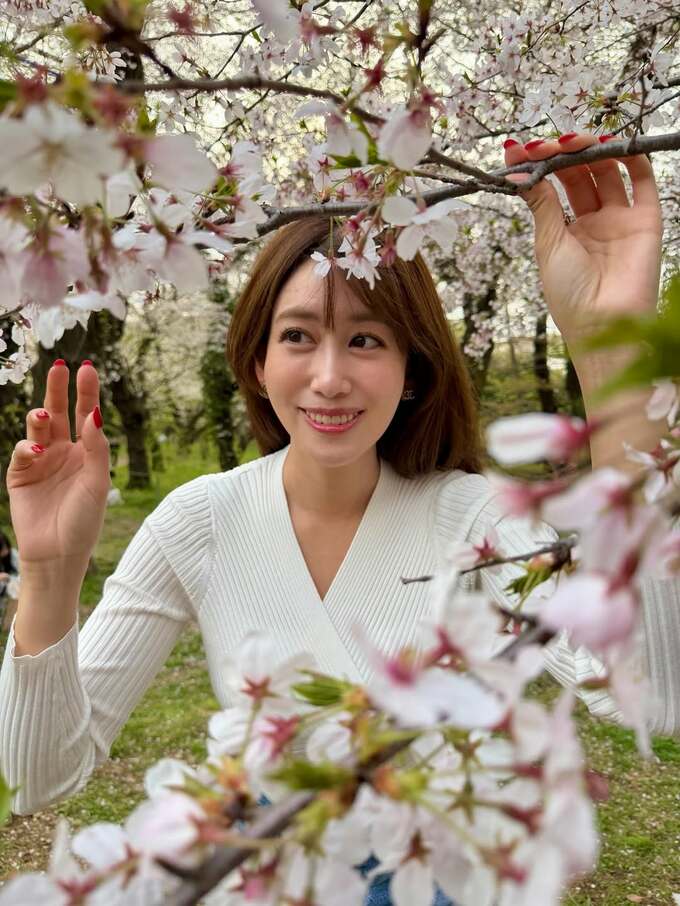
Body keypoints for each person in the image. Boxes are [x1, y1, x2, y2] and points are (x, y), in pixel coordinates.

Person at [0, 134, 678, 905]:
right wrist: (49, 574)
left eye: (364, 339)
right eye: (297, 336)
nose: (329, 378)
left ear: (411, 369)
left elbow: (647, 690)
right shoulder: (202, 518)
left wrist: (609, 349)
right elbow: (35, 777)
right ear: (258, 363)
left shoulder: (472, 518)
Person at [0, 528, 20, 632]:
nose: (5, 551)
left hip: (14, 588)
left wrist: (9, 578)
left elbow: (22, 573)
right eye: (2, 548)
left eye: (6, 546)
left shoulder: (13, 554)